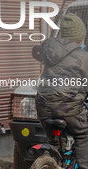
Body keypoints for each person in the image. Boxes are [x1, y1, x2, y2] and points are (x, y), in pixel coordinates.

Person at [36, 13, 88, 169]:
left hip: (43, 107)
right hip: (69, 110)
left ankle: (53, 160)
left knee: (54, 142)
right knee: (82, 135)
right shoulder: (83, 57)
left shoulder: (49, 51)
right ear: (80, 37)